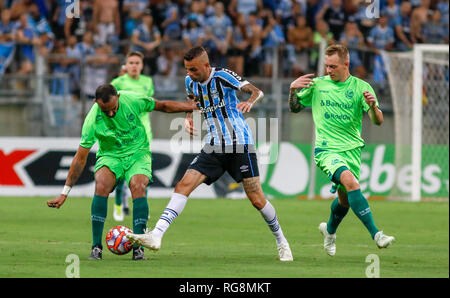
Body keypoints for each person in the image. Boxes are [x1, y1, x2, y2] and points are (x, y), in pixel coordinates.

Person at [126, 46, 294, 262]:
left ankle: (281, 241)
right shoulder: (190, 81)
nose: (190, 74)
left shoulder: (223, 76)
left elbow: (256, 91)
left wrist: (249, 102)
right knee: (183, 185)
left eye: (194, 69)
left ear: (206, 66)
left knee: (256, 198)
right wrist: (188, 116)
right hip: (214, 144)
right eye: (187, 69)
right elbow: (192, 101)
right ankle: (156, 236)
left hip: (239, 144)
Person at [46, 84, 197, 261]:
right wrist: (65, 192)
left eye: (113, 109)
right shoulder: (92, 120)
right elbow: (80, 158)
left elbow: (161, 106)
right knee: (101, 184)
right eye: (105, 110)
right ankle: (96, 247)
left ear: (117, 97)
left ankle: (138, 248)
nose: (110, 114)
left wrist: (190, 107)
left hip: (138, 153)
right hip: (110, 156)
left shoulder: (132, 99)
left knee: (138, 185)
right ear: (95, 102)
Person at [288, 44, 395, 256]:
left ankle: (329, 231)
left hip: (352, 151)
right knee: (351, 182)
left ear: (346, 64)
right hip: (327, 150)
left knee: (345, 199)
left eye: (333, 66)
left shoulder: (361, 87)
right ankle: (377, 234)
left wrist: (373, 107)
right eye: (327, 66)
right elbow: (295, 108)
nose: (329, 70)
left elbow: (378, 121)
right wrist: (292, 90)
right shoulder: (317, 85)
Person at [110, 51, 155, 221]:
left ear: (142, 65)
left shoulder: (148, 82)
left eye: (137, 63)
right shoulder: (117, 82)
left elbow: (149, 103)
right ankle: (118, 205)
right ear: (126, 65)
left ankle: (142, 207)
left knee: (144, 173)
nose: (134, 66)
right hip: (123, 134)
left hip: (144, 133)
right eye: (131, 63)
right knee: (121, 173)